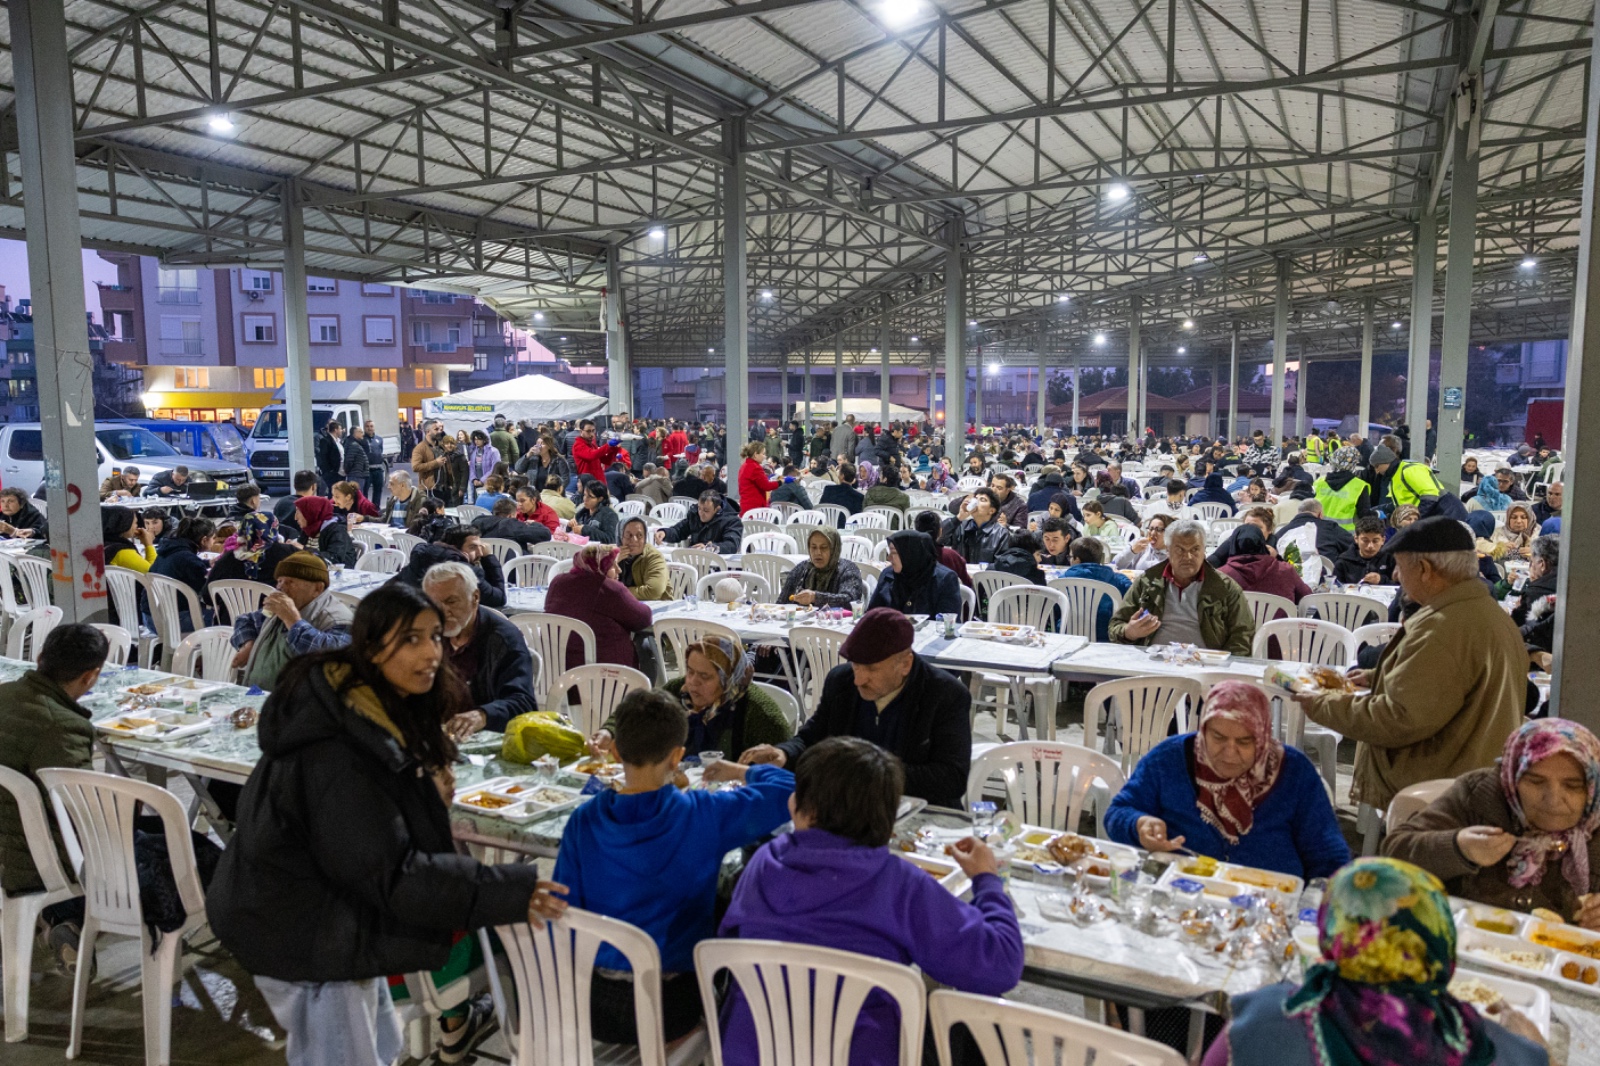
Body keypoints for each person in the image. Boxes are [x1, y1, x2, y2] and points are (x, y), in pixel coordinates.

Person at [207, 584, 566, 1066]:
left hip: (331, 917)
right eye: (411, 639)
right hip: (301, 928)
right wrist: (510, 890)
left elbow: (373, 841)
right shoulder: (337, 751)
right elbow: (391, 872)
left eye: (435, 637)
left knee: (379, 1046)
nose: (431, 653)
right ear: (372, 646)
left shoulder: (360, 707)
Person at [717, 737, 1024, 1065]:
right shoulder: (898, 882)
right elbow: (1001, 965)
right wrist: (987, 881)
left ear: (798, 808)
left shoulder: (764, 862)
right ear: (889, 820)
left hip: (753, 1051)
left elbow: (730, 943)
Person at [553, 689, 794, 1045]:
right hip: (670, 1006)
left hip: (591, 1003)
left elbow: (562, 908)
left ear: (616, 751)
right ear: (678, 756)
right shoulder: (702, 813)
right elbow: (789, 791)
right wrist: (744, 770)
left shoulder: (583, 819)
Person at [1203, 858, 1547, 1066]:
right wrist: (1537, 1048)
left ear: (1331, 932)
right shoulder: (1499, 1050)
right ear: (1442, 944)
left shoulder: (1264, 1021)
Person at [1294, 516, 1527, 811]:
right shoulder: (1486, 614)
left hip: (1437, 794)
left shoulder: (1443, 628)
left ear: (1426, 570)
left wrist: (1320, 703)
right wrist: (1380, 674)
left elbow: (1397, 719)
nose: (1396, 575)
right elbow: (1448, 681)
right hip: (1472, 778)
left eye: (1400, 566)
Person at [1106, 682, 1349, 879]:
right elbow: (1119, 811)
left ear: (1263, 737)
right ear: (1203, 728)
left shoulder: (1294, 771)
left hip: (1269, 899)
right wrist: (1138, 824)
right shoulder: (1169, 758)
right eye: (1218, 737)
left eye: (1244, 742)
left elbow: (1328, 854)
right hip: (1183, 891)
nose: (1229, 752)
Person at [742, 608, 972, 809]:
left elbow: (951, 778)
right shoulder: (841, 681)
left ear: (905, 664)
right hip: (849, 809)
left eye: (871, 670)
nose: (859, 680)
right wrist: (784, 754)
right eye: (856, 666)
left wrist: (868, 773)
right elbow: (814, 737)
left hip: (921, 812)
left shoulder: (944, 694)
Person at [1382, 718, 1600, 927]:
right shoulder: (1479, 794)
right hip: (1462, 938)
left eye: (1572, 786)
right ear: (1513, 776)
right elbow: (1394, 853)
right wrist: (1459, 848)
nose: (1553, 798)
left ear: (1592, 788)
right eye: (1535, 781)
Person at [0, 624, 110, 971]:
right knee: (154, 841)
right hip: (25, 858)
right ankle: (68, 920)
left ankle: (61, 921)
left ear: (39, 658)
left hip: (7, 837)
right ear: (91, 677)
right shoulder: (62, 725)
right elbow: (80, 811)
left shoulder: (4, 694)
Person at [418, 562, 537, 737]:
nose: (442, 611)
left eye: (451, 601)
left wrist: (482, 715)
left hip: (485, 739)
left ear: (475, 597)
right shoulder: (427, 632)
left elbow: (523, 703)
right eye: (434, 603)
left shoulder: (503, 639)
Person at [1109, 519, 1255, 654]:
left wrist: (1219, 666)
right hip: (1154, 665)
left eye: (1195, 549)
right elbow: (1115, 626)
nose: (1188, 557)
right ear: (1168, 551)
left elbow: (1243, 635)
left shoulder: (1224, 587)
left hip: (1205, 669)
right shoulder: (1147, 582)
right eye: (1180, 550)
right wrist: (1129, 632)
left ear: (1204, 551)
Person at [230, 551, 354, 690]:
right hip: (258, 699)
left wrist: (293, 621)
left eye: (290, 582)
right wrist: (249, 644)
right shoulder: (283, 608)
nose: (280, 587)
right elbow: (246, 620)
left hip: (302, 708)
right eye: (280, 581)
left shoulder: (337, 619)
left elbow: (331, 659)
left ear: (317, 588)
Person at [543, 544, 654, 671]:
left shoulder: (558, 582)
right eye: (613, 565)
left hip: (558, 671)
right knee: (646, 647)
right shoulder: (609, 589)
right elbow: (643, 618)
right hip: (605, 675)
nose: (619, 570)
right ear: (600, 566)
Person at [869, 530, 962, 617]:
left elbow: (947, 623)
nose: (888, 558)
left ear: (910, 554)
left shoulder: (944, 579)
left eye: (893, 552)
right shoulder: (888, 575)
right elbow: (871, 614)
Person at [1057, 537, 1131, 641]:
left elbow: (1053, 610)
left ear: (1077, 559)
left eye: (1070, 556)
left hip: (1067, 636)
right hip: (1106, 637)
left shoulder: (1062, 581)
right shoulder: (1119, 581)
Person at [150, 515, 217, 630]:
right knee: (223, 617)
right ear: (204, 540)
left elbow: (181, 563)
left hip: (151, 617)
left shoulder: (169, 549)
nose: (214, 541)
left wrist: (207, 563)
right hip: (173, 621)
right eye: (213, 538)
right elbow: (206, 595)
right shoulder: (190, 561)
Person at [1217, 524, 1313, 604]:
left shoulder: (1222, 575)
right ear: (1263, 544)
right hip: (1281, 626)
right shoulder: (1285, 570)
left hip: (1237, 627)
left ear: (1233, 545)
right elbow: (1307, 597)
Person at [777, 526, 867, 608]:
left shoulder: (847, 569)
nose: (818, 552)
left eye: (824, 547)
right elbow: (781, 602)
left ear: (834, 549)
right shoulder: (802, 569)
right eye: (813, 547)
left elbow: (850, 601)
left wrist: (815, 597)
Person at [655, 491, 743, 553]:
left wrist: (711, 548)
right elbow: (679, 530)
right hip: (694, 559)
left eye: (706, 511)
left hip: (718, 564)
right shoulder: (695, 515)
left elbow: (731, 545)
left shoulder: (732, 521)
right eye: (699, 508)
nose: (701, 513)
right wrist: (665, 533)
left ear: (717, 509)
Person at [1271, 498, 1354, 562]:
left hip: (1292, 578)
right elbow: (1352, 545)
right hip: (1326, 577)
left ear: (1298, 513)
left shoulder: (1282, 532)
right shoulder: (1331, 528)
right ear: (1320, 514)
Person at [946, 487, 1011, 564]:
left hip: (985, 575)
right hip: (961, 574)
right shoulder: (961, 526)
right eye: (975, 499)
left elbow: (1000, 565)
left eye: (982, 500)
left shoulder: (1001, 534)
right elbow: (939, 539)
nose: (976, 503)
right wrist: (959, 517)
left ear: (991, 510)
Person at [616, 516, 670, 601]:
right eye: (628, 535)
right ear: (619, 537)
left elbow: (654, 591)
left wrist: (619, 592)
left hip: (656, 608)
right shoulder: (613, 554)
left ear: (645, 538)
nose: (634, 540)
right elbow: (596, 587)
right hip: (623, 606)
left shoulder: (653, 556)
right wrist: (612, 563)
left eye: (639, 535)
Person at [1333, 515, 1396, 585]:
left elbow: (1402, 587)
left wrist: (1382, 580)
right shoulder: (1343, 562)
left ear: (1383, 540)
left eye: (1375, 541)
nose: (1370, 546)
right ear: (1356, 539)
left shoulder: (1391, 559)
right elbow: (1336, 589)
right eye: (1365, 541)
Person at [471, 496, 552, 551]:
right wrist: (534, 524)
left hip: (484, 565)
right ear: (510, 515)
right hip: (513, 567)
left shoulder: (478, 521)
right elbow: (545, 535)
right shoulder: (511, 524)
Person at [102, 505, 157, 572]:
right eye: (135, 523)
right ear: (124, 524)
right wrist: (149, 544)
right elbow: (154, 573)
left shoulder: (104, 541)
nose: (137, 526)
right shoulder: (122, 552)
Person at [567, 479, 620, 544]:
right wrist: (570, 526)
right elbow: (571, 532)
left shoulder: (609, 515)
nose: (585, 499)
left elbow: (610, 539)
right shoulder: (582, 512)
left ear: (600, 498)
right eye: (584, 495)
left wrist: (585, 530)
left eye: (590, 496)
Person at [735, 440, 781, 515]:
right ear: (756, 454)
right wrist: (780, 482)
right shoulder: (755, 468)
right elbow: (766, 486)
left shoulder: (744, 466)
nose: (765, 457)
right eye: (763, 454)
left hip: (745, 507)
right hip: (755, 509)